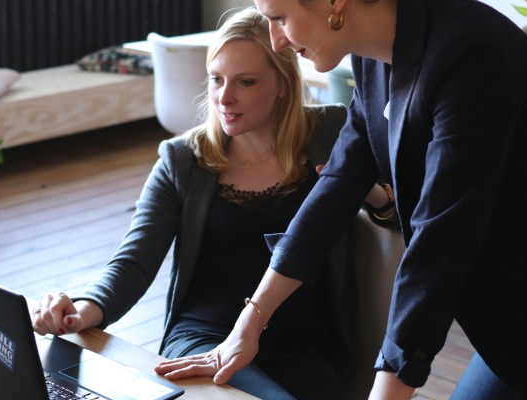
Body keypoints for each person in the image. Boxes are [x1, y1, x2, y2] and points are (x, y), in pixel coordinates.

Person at [156, 0, 527, 399]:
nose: (275, 41)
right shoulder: (375, 59)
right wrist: (250, 322)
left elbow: (440, 244)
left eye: (279, 19)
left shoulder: (471, 51)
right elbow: (339, 182)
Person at [32, 8, 394, 399]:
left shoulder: (333, 131)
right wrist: (84, 308)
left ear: (283, 84)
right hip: (202, 338)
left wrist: (367, 191)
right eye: (216, 79)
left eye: (246, 82)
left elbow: (399, 217)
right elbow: (134, 261)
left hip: (306, 347)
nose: (224, 97)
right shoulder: (183, 160)